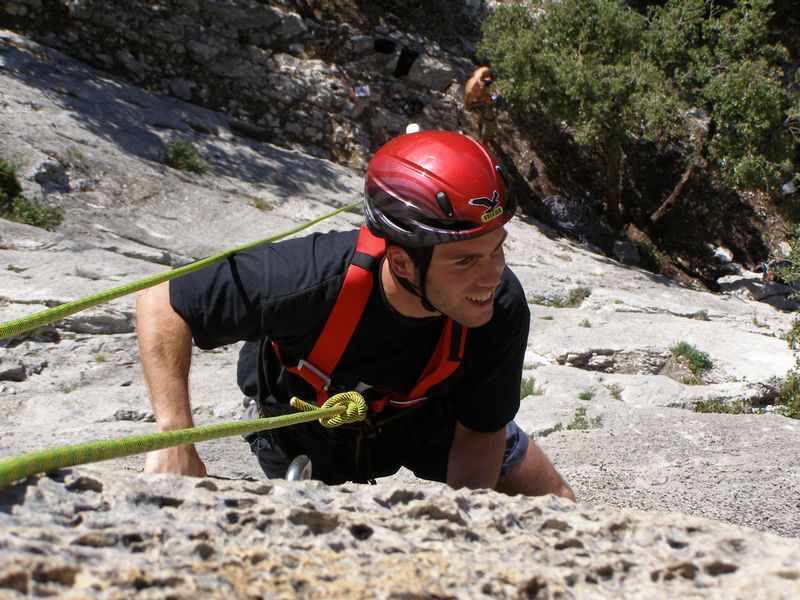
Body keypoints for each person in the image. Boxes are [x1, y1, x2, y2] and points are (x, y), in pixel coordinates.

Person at [136, 130, 574, 500]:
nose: (492, 276)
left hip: (428, 415)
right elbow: (163, 299)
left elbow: (480, 432)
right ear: (402, 263)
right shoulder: (309, 277)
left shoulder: (500, 305)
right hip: (302, 427)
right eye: (465, 261)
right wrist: (174, 436)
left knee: (559, 509)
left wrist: (466, 526)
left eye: (498, 249)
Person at [464, 66, 498, 144]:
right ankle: (484, 143)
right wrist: (484, 102)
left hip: (485, 100)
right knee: (490, 125)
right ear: (481, 86)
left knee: (484, 113)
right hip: (478, 103)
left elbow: (490, 78)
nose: (486, 89)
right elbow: (468, 106)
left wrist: (495, 91)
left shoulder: (484, 71)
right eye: (484, 88)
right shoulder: (471, 91)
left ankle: (480, 123)